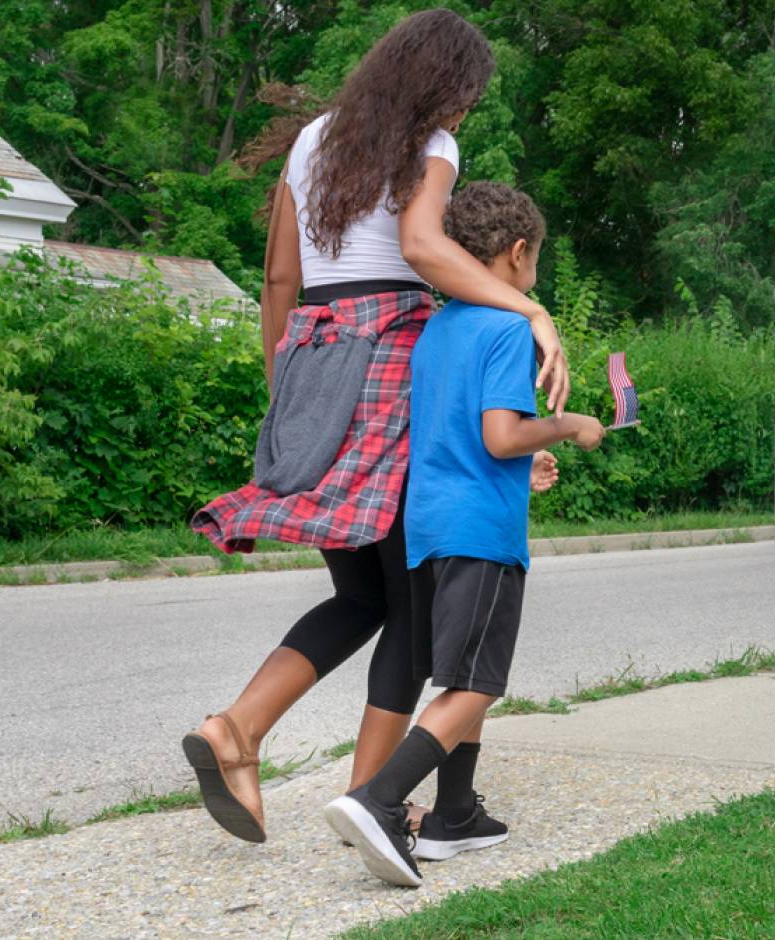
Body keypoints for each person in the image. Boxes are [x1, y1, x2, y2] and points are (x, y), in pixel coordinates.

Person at [181, 9, 569, 846]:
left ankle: (240, 730)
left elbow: (281, 274)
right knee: (410, 605)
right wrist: (531, 306)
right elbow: (423, 246)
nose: (464, 113)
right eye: (466, 96)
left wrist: (286, 388)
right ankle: (371, 802)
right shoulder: (430, 140)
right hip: (389, 356)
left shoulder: (314, 137)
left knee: (357, 592)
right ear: (443, 87)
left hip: (310, 354)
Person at [326, 182, 605, 886]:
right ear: (516, 254)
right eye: (536, 257)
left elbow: (470, 435)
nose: (535, 270)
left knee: (456, 672)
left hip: (427, 526)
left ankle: (455, 814)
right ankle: (380, 801)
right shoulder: (509, 327)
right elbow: (501, 432)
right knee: (477, 686)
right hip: (482, 531)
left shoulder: (441, 325)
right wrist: (570, 427)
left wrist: (525, 455)